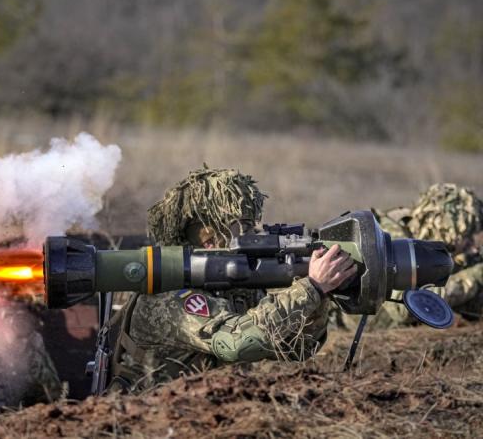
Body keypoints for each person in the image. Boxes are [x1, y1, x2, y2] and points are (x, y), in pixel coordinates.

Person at [107, 168, 357, 393]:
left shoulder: (232, 287)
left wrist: (319, 294)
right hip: (144, 418)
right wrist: (310, 288)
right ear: (207, 238)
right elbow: (237, 343)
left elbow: (297, 347)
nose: (248, 234)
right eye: (237, 226)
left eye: (249, 225)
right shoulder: (168, 296)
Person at [344, 183, 483, 329]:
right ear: (448, 229)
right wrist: (473, 277)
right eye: (467, 237)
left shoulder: (425, 242)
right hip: (346, 331)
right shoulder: (388, 239)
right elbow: (404, 308)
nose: (471, 245)